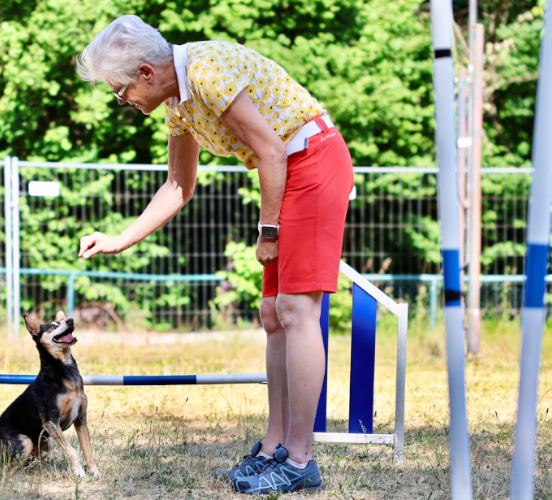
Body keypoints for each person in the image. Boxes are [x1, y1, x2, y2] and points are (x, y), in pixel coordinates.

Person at [74, 15, 353, 494]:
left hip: (312, 160)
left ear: (145, 72)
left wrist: (268, 230)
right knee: (271, 314)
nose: (121, 101)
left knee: (295, 309)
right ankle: (275, 448)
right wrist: (119, 239)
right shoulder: (178, 102)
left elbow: (270, 150)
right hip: (289, 169)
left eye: (119, 90)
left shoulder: (204, 70)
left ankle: (301, 460)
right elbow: (178, 187)